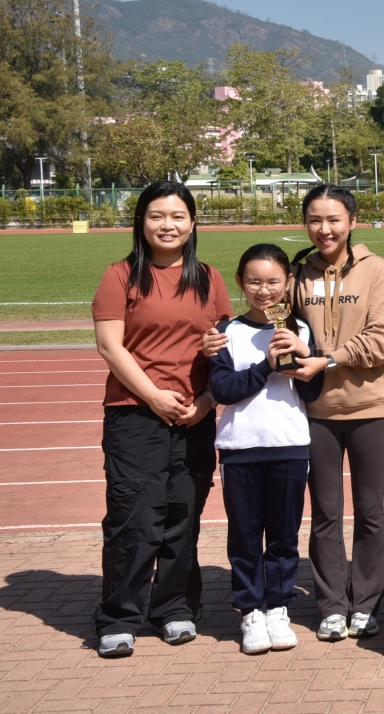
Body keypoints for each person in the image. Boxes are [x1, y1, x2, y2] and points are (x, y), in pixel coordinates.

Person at [204, 184, 384, 643]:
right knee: (326, 513)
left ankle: (365, 604)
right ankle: (332, 607)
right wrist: (217, 335)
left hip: (370, 406)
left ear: (352, 221)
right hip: (314, 411)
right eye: (315, 220)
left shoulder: (376, 269)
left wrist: (325, 360)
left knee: (370, 511)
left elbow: (380, 342)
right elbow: (263, 309)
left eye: (334, 219)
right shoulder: (297, 274)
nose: (324, 229)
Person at [91, 180, 233, 658]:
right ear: (141, 221)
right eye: (157, 216)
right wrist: (153, 396)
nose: (167, 225)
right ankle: (119, 617)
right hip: (135, 414)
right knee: (134, 516)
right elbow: (110, 346)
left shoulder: (209, 278)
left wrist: (207, 400)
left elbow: (224, 350)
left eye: (177, 216)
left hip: (194, 416)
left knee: (182, 515)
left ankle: (174, 609)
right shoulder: (120, 275)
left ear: (192, 223)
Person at [208, 244, 323, 655]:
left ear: (288, 283)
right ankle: (250, 610)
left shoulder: (300, 329)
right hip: (240, 448)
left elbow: (312, 391)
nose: (264, 290)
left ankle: (278, 607)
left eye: (273, 281)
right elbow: (223, 389)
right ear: (240, 282)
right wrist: (265, 367)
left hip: (289, 445)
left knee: (283, 536)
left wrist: (305, 356)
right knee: (244, 536)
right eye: (254, 281)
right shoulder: (226, 332)